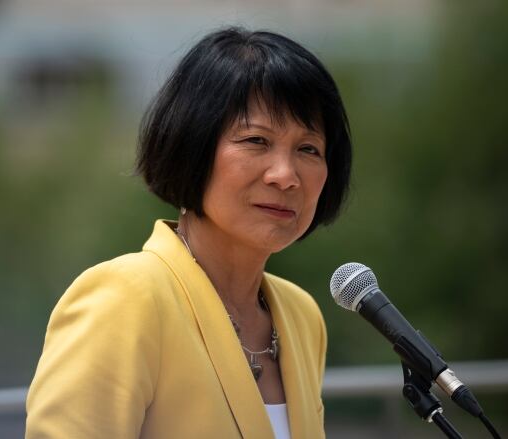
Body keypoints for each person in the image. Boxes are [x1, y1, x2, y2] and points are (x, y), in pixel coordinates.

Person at [25, 26, 352, 439]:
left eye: (308, 149)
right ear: (191, 146)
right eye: (256, 140)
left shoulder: (301, 316)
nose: (285, 176)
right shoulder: (125, 298)